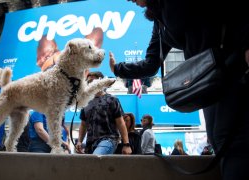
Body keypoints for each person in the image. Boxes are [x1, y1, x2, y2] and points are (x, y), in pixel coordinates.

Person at [109, 1, 248, 179]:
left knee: (233, 142)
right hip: (209, 81)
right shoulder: (159, 20)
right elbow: (152, 64)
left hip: (232, 67)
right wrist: (118, 69)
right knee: (217, 139)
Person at [75, 71, 132, 155]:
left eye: (93, 81)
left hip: (109, 139)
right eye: (88, 82)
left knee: (95, 160)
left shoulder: (112, 100)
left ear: (101, 82)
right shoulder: (85, 102)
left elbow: (120, 123)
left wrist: (126, 144)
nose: (90, 84)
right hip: (90, 143)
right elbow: (83, 124)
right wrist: (79, 141)